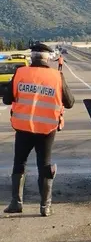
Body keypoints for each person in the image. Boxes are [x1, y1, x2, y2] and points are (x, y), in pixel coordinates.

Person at [3, 43, 75, 217]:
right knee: (44, 164)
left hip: (23, 126)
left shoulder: (20, 73)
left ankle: (16, 203)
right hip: (47, 128)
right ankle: (45, 207)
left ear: (31, 57)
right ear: (48, 58)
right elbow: (70, 102)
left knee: (19, 163)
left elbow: (7, 99)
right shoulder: (57, 76)